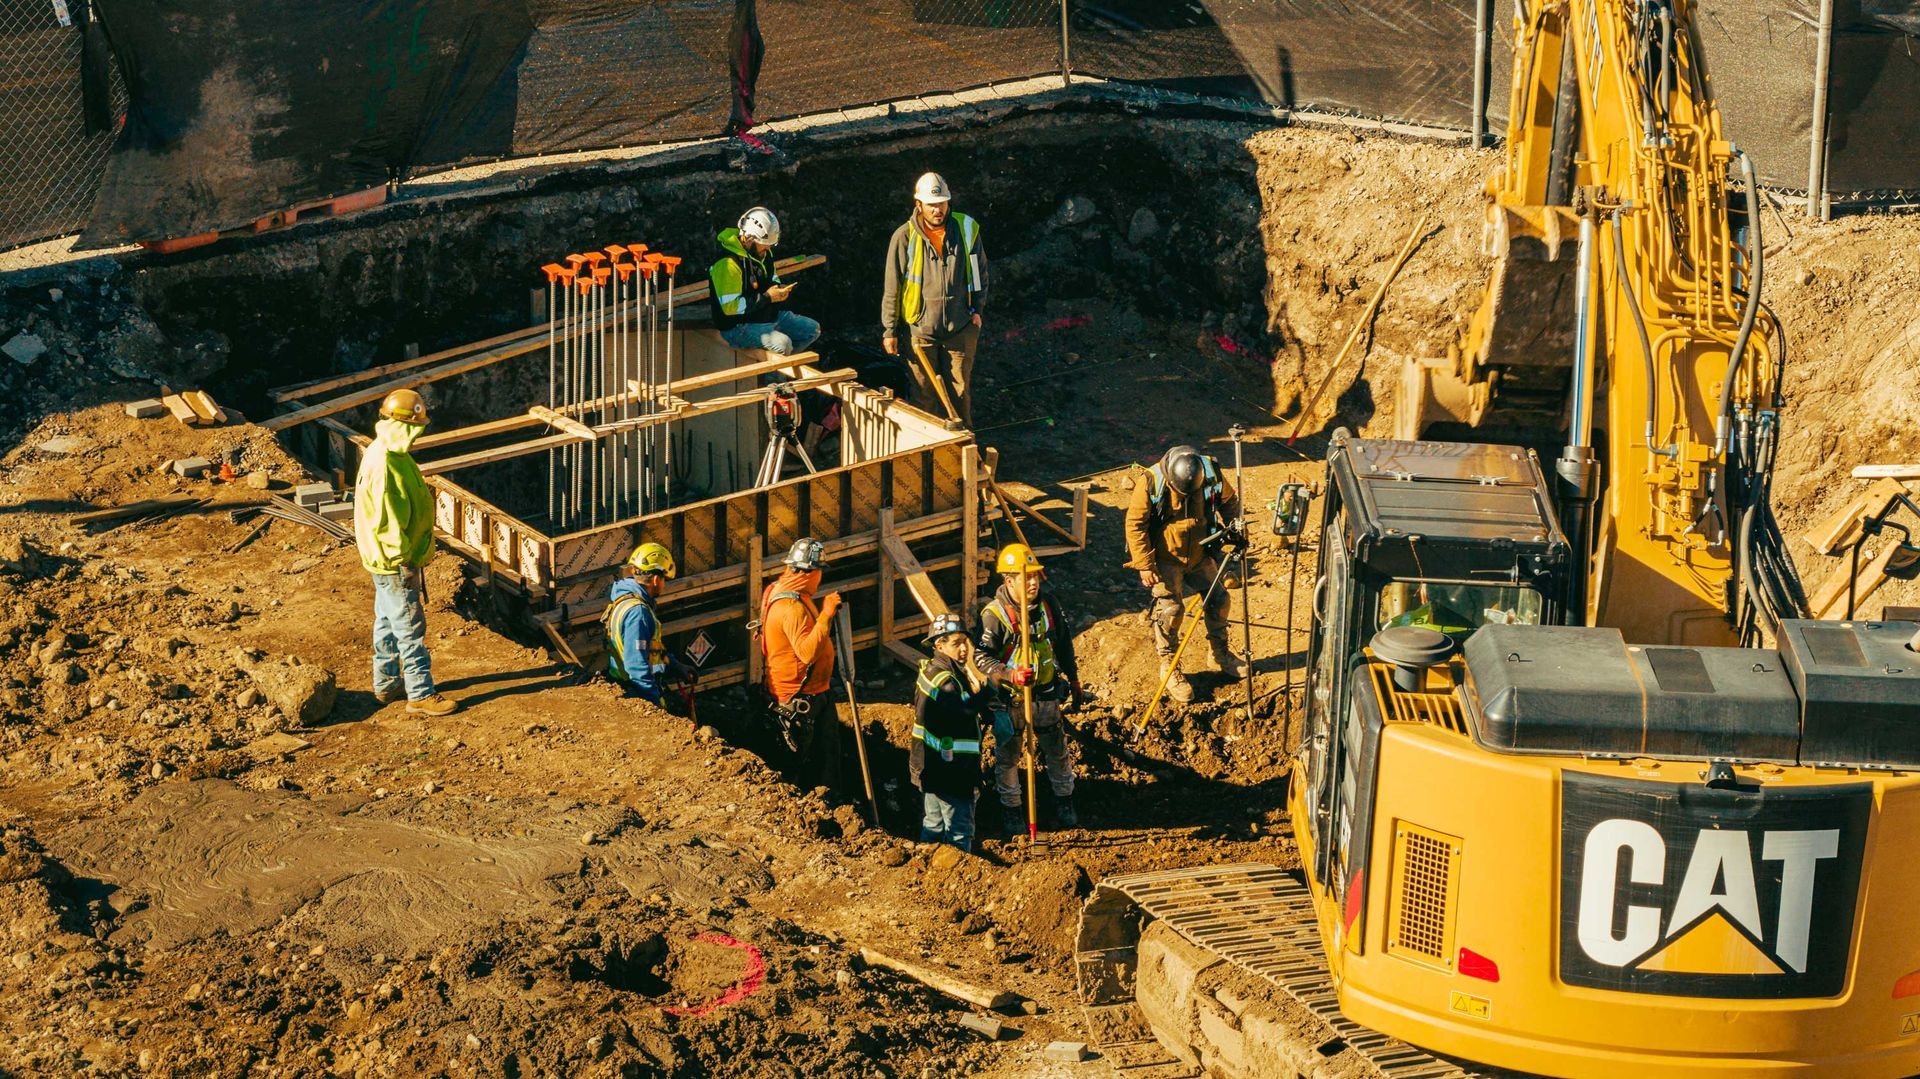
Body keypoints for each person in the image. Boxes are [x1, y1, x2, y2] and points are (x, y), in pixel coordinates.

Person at [353, 389, 457, 717]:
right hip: (394, 559)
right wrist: (405, 561)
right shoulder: (385, 463)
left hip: (384, 557)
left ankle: (385, 684)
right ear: (404, 426)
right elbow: (387, 522)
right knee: (410, 625)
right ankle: (420, 693)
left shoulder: (391, 453)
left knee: (387, 619)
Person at [1125, 444, 1247, 704]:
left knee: (1219, 599)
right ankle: (1168, 668)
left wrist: (1235, 527)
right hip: (1166, 558)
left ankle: (1219, 653)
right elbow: (1135, 524)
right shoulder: (1151, 481)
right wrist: (1145, 564)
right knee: (1171, 611)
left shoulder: (1210, 472)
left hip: (1201, 553)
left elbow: (1229, 501)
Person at [974, 543, 1083, 833]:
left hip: (1046, 694)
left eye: (1036, 576)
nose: (1034, 582)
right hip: (1011, 701)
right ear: (1009, 581)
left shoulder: (1049, 605)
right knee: (1009, 757)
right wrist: (1009, 674)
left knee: (1057, 751)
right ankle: (1012, 810)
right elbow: (981, 657)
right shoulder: (994, 616)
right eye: (1027, 577)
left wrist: (1073, 679)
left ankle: (1064, 800)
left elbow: (1063, 644)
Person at [880, 172, 988, 426]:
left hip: (960, 327)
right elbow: (892, 286)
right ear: (919, 205)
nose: (938, 210)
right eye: (931, 205)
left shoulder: (966, 229)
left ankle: (962, 454)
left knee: (959, 395)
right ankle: (928, 456)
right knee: (923, 398)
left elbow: (981, 271)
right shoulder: (904, 237)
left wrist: (977, 309)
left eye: (941, 203)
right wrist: (890, 330)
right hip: (920, 332)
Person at [758, 537, 844, 790]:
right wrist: (826, 614)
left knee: (829, 758)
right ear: (810, 572)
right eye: (819, 572)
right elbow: (806, 653)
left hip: (817, 693)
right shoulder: (791, 607)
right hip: (799, 701)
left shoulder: (786, 591)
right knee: (800, 768)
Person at [911, 613, 993, 851]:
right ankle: (957, 872)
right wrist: (990, 691)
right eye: (956, 644)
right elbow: (960, 709)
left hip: (931, 766)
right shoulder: (946, 680)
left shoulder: (931, 670)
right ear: (939, 645)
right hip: (953, 771)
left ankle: (926, 864)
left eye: (964, 642)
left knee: (933, 824)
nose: (964, 649)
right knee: (959, 831)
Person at [709, 206, 820, 355]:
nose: (768, 249)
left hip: (764, 316)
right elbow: (730, 308)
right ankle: (774, 375)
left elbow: (772, 277)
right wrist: (768, 297)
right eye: (765, 245)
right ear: (748, 239)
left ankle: (782, 367)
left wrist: (778, 289)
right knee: (783, 344)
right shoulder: (727, 263)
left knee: (812, 330)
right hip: (737, 327)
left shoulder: (763, 254)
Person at [605, 542, 693, 707]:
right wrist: (655, 706)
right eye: (664, 579)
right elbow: (637, 667)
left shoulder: (624, 600)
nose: (664, 584)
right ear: (655, 579)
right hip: (634, 694)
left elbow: (651, 648)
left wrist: (675, 666)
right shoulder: (638, 613)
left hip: (624, 686)